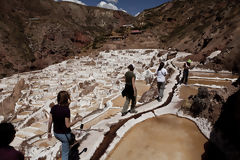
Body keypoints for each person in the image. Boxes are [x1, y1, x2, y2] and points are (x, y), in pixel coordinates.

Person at [48, 91, 82, 160]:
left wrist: (49, 132)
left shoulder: (53, 108)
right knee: (65, 155)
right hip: (64, 136)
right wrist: (77, 120)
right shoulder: (66, 110)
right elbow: (67, 125)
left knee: (72, 135)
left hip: (56, 133)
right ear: (66, 99)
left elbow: (50, 122)